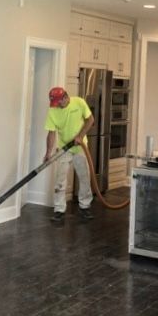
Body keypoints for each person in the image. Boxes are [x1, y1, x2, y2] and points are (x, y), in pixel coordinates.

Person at [44, 86, 95, 222]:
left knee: (84, 177)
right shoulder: (53, 110)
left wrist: (80, 136)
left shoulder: (79, 102)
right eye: (54, 103)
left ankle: (85, 207)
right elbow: (51, 133)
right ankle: (59, 210)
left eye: (58, 102)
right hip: (64, 148)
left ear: (65, 97)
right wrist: (48, 153)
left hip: (80, 147)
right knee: (60, 180)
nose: (57, 106)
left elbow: (90, 120)